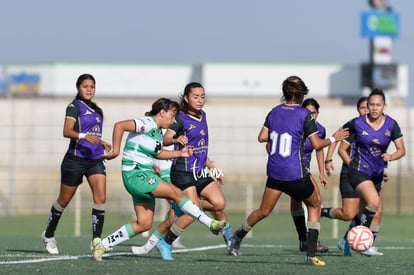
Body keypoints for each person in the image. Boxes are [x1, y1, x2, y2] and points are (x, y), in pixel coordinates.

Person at [228, 75, 349, 266]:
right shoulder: (304, 115)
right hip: (295, 173)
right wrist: (334, 138)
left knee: (263, 211)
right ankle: (310, 254)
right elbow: (317, 143)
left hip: (275, 172)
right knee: (315, 204)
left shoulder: (274, 111)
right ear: (301, 95)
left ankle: (237, 236)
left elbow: (262, 137)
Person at [98, 98, 225, 261]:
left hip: (142, 176)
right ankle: (210, 222)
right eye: (172, 116)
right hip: (136, 174)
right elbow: (119, 125)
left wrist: (180, 153)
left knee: (143, 224)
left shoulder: (157, 132)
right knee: (176, 193)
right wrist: (115, 151)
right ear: (162, 112)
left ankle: (102, 244)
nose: (173, 121)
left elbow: (158, 154)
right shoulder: (147, 122)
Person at [155, 82, 234, 260]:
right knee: (193, 212)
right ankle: (166, 242)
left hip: (200, 171)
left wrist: (213, 169)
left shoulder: (203, 115)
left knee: (219, 204)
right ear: (186, 98)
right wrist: (176, 138)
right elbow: (166, 139)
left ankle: (185, 204)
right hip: (182, 171)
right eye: (195, 97)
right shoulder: (180, 118)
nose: (200, 100)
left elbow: (201, 148)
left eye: (202, 96)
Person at [41, 74, 112, 259]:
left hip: (95, 159)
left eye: (92, 86)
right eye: (85, 86)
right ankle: (48, 234)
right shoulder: (74, 107)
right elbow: (67, 131)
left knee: (101, 197)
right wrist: (83, 136)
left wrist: (101, 142)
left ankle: (96, 241)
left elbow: (92, 134)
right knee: (64, 200)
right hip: (75, 160)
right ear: (78, 88)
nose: (89, 89)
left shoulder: (96, 110)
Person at [335, 89, 405, 255]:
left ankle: (347, 239)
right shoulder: (357, 123)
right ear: (367, 105)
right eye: (371, 105)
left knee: (369, 210)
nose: (374, 108)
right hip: (358, 171)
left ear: (384, 106)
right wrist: (352, 165)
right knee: (373, 202)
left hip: (377, 174)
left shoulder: (392, 125)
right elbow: (342, 149)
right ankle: (360, 239)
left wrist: (391, 156)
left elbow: (402, 150)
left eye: (378, 105)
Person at [321, 96, 383, 256]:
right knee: (349, 213)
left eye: (367, 107)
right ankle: (320, 212)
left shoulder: (377, 127)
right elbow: (335, 138)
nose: (366, 110)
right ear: (358, 110)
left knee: (374, 208)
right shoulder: (354, 124)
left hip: (370, 174)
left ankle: (363, 244)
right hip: (351, 174)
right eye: (363, 107)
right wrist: (328, 159)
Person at [289, 98, 329, 254]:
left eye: (314, 113)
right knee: (264, 211)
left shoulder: (320, 129)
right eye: (308, 112)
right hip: (290, 168)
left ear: (318, 113)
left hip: (304, 169)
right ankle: (238, 235)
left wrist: (322, 172)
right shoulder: (294, 126)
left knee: (314, 200)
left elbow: (319, 149)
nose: (311, 116)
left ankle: (308, 241)